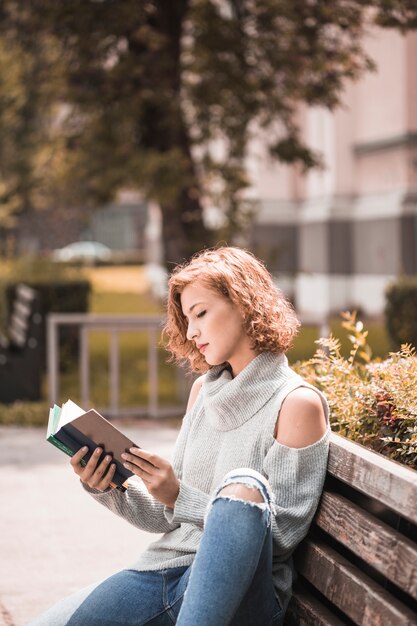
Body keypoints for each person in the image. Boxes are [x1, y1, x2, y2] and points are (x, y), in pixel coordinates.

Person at [29, 246, 330, 626]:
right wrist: (109, 486)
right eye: (187, 319)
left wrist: (181, 496)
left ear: (244, 304)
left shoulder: (297, 404)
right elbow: (166, 516)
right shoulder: (203, 393)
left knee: (244, 488)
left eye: (201, 313)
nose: (192, 332)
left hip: (242, 595)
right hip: (165, 572)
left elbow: (281, 535)